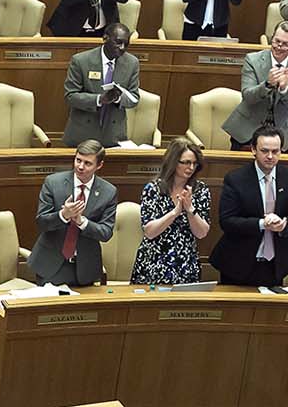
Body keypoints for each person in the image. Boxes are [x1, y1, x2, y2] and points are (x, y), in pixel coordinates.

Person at [210, 126, 288, 288]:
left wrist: (285, 224)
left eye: (275, 151)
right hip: (238, 263)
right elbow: (227, 221)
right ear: (253, 150)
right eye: (264, 151)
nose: (270, 156)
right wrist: (262, 224)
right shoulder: (236, 179)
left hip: (275, 263)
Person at [27, 141, 118, 286]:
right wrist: (63, 215)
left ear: (99, 165)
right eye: (78, 160)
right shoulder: (53, 183)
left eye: (87, 163)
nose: (80, 166)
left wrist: (82, 222)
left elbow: (106, 233)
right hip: (51, 264)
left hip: (85, 267)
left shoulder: (108, 192)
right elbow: (41, 222)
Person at [129, 140, 212, 286]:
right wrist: (175, 212)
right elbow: (149, 232)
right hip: (153, 263)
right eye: (186, 162)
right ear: (173, 162)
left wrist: (190, 209)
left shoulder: (201, 190)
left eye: (194, 163)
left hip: (186, 263)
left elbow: (202, 233)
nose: (191, 167)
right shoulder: (153, 189)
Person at [221, 21, 288, 150]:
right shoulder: (252, 60)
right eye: (276, 41)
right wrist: (267, 84)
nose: (278, 47)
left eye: (285, 44)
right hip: (247, 131)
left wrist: (285, 89)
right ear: (272, 37)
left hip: (281, 133)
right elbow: (248, 96)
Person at [62, 24, 139, 148]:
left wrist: (118, 98)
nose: (122, 48)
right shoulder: (81, 60)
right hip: (82, 134)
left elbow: (134, 98)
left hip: (113, 135)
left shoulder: (132, 63)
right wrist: (99, 99)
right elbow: (70, 96)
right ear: (105, 38)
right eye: (118, 42)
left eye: (126, 44)